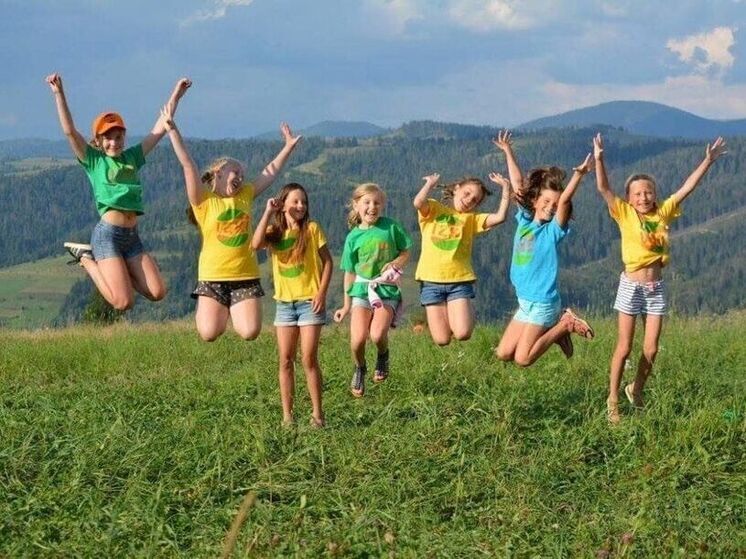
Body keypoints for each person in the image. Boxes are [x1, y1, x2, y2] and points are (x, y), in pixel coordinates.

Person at [593, 133, 727, 424]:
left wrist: (708, 161)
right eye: (638, 194)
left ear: (654, 194)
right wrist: (599, 158)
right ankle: (612, 399)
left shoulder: (663, 212)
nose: (644, 197)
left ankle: (636, 389)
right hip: (630, 286)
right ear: (629, 198)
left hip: (655, 288)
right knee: (624, 347)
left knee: (651, 348)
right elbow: (603, 187)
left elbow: (687, 187)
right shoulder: (624, 213)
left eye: (648, 192)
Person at [46, 73, 191, 310]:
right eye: (108, 138)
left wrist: (177, 94)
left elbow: (160, 128)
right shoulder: (94, 161)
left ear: (124, 137)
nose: (114, 142)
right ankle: (86, 259)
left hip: (132, 237)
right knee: (123, 302)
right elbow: (70, 131)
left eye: (118, 137)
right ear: (98, 141)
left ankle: (118, 268)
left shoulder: (132, 157)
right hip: (108, 236)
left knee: (158, 292)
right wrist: (59, 93)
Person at [160, 103, 302, 341]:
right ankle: (217, 311)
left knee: (249, 332)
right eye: (236, 172)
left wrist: (287, 147)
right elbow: (188, 165)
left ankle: (229, 309)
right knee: (209, 333)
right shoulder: (203, 200)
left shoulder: (245, 195)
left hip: (244, 276)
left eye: (243, 176)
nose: (241, 178)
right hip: (212, 276)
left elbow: (269, 173)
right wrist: (172, 130)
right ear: (219, 173)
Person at [493, 130, 595, 366]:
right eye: (546, 201)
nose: (551, 207)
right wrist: (508, 150)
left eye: (555, 204)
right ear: (535, 200)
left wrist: (578, 176)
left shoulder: (552, 231)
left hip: (543, 303)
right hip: (525, 301)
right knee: (503, 353)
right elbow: (518, 185)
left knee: (523, 358)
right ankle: (557, 331)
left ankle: (565, 325)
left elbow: (566, 200)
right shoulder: (524, 221)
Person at [251, 183, 332, 428]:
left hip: (309, 302)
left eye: (304, 202)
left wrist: (321, 293)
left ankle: (318, 415)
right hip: (284, 305)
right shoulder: (275, 232)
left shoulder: (312, 229)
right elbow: (255, 244)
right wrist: (267, 212)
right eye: (295, 201)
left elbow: (328, 262)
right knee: (285, 360)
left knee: (308, 358)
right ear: (283, 204)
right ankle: (287, 416)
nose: (300, 206)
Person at [333, 183, 413, 397]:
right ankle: (360, 367)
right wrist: (346, 306)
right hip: (361, 290)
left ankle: (383, 355)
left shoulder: (390, 227)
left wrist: (396, 262)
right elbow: (349, 273)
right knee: (358, 340)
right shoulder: (353, 237)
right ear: (356, 205)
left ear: (382, 205)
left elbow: (406, 251)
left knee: (377, 335)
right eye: (366, 202)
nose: (372, 207)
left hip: (386, 289)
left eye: (377, 202)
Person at [413, 172, 510, 345]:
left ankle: (466, 312)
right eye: (467, 193)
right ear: (456, 189)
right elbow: (418, 202)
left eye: (474, 200)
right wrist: (429, 184)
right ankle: (455, 314)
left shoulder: (471, 219)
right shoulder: (434, 208)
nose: (469, 200)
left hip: (459, 281)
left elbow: (500, 217)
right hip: (430, 281)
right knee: (442, 340)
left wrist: (506, 188)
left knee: (463, 333)